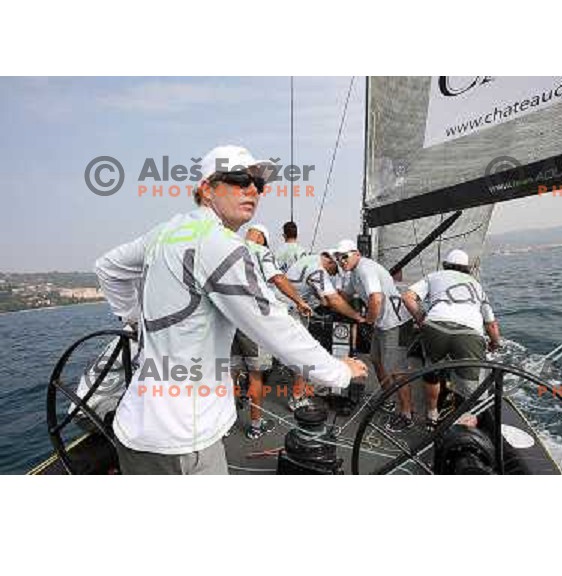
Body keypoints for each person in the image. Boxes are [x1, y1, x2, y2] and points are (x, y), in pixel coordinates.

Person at [95, 145, 367, 474]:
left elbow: (108, 268)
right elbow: (272, 325)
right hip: (183, 442)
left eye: (259, 184)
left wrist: (133, 318)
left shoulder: (167, 231)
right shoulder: (220, 245)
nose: (253, 189)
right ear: (207, 189)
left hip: (136, 426)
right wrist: (338, 372)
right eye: (240, 179)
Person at [402, 249, 501, 430]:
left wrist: (421, 318)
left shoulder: (434, 276)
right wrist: (495, 343)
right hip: (470, 333)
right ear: (467, 269)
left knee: (432, 371)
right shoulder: (477, 285)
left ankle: (432, 415)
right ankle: (464, 423)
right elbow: (491, 324)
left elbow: (407, 297)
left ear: (445, 265)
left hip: (436, 326)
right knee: (470, 382)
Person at [231, 223, 312, 439]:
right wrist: (300, 301)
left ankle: (226, 424)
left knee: (232, 373)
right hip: (255, 321)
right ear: (262, 239)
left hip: (231, 320)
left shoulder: (228, 248)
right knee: (256, 375)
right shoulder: (262, 251)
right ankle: (256, 426)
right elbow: (277, 278)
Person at [334, 239, 415, 431]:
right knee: (376, 359)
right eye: (338, 258)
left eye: (344, 256)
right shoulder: (354, 273)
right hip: (383, 323)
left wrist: (368, 320)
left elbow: (376, 298)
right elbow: (344, 296)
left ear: (356, 254)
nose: (341, 261)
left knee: (396, 370)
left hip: (395, 323)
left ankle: (406, 414)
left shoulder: (364, 269)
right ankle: (387, 398)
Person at [285, 251, 365, 409]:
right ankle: (297, 397)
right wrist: (357, 316)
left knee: (301, 352)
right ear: (331, 262)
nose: (332, 274)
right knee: (304, 354)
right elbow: (333, 300)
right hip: (289, 312)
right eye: (334, 271)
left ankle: (303, 387)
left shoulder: (308, 259)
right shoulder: (317, 270)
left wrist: (323, 298)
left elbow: (318, 293)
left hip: (291, 309)